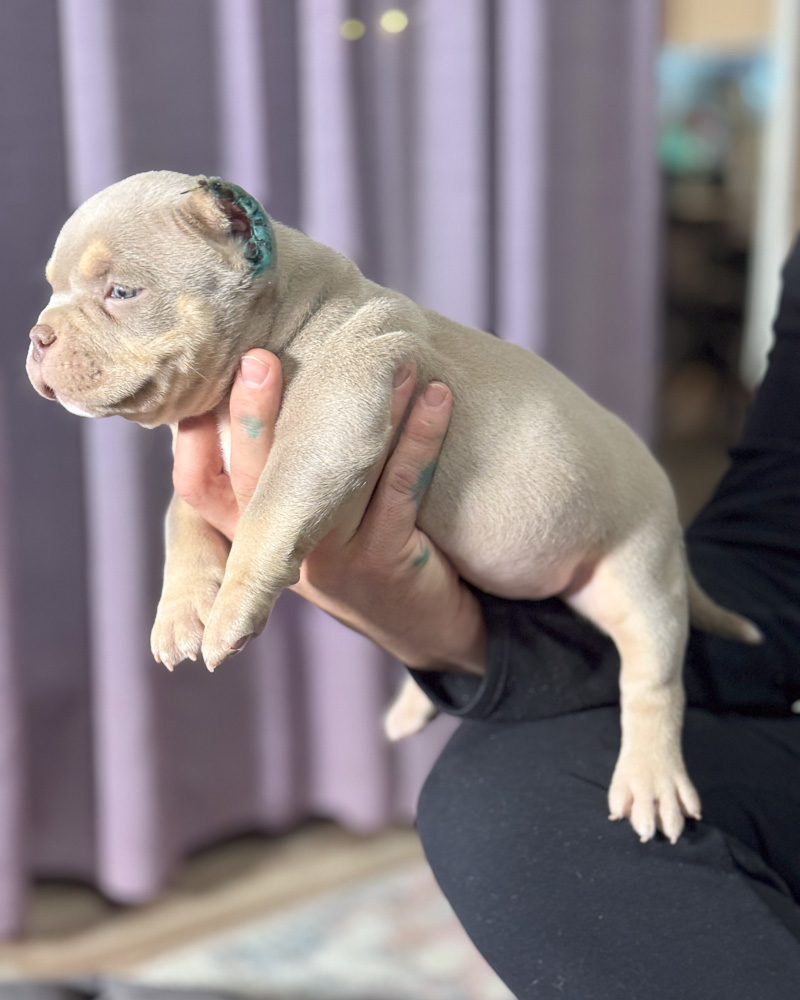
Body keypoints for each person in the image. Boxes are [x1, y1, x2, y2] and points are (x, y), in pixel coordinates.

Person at [173, 241, 800, 999]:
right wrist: (457, 640)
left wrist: (253, 574)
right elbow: (776, 552)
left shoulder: (359, 341)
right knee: (505, 807)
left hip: (610, 542)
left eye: (120, 294)